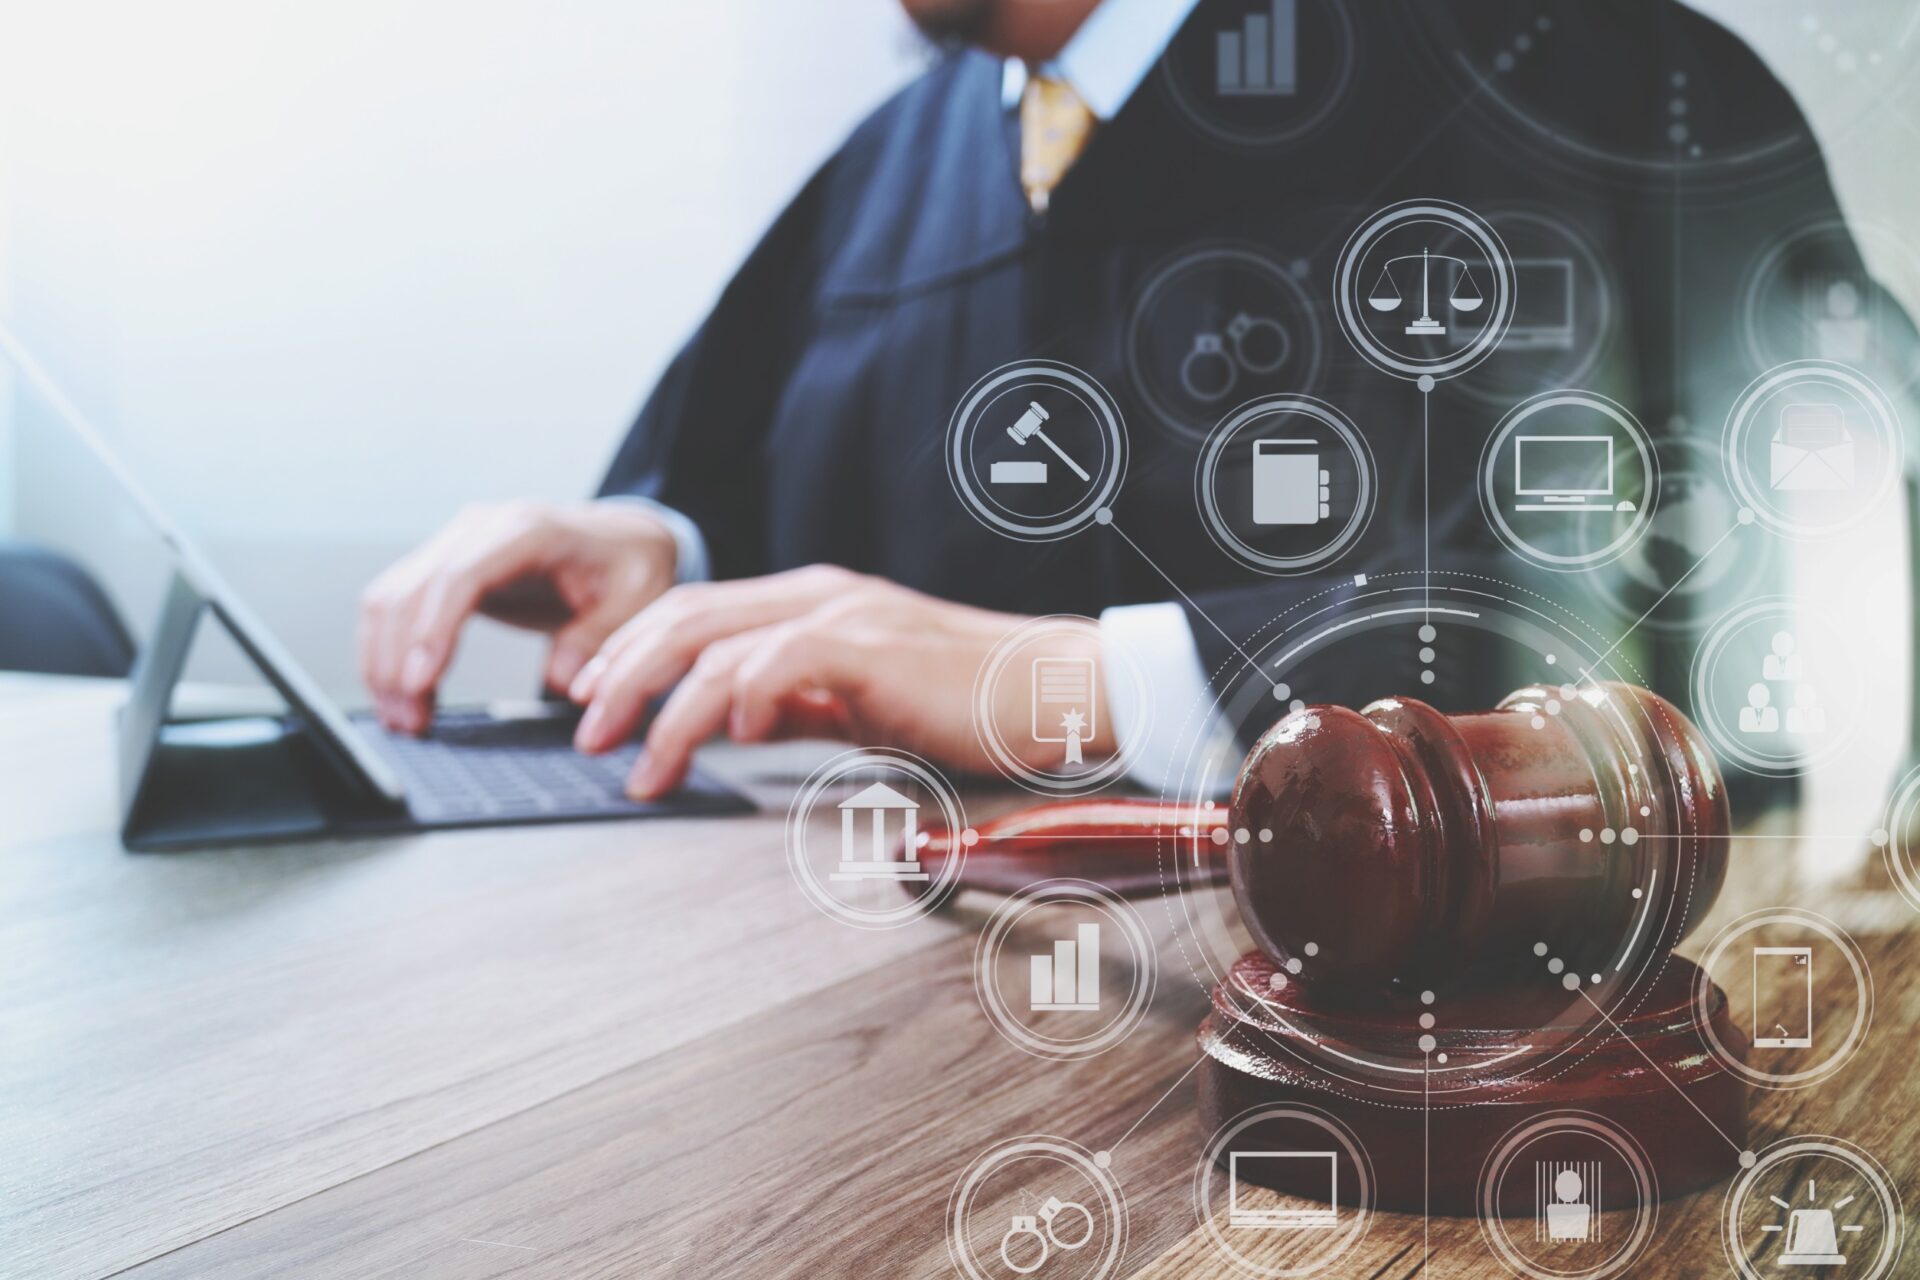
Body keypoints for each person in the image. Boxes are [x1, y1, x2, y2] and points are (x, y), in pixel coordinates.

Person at [359, 0, 1912, 800]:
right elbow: (784, 530)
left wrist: (1084, 680)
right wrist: (666, 550)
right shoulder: (887, 172)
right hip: (901, 1095)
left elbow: (1826, 585)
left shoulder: (1577, 74)